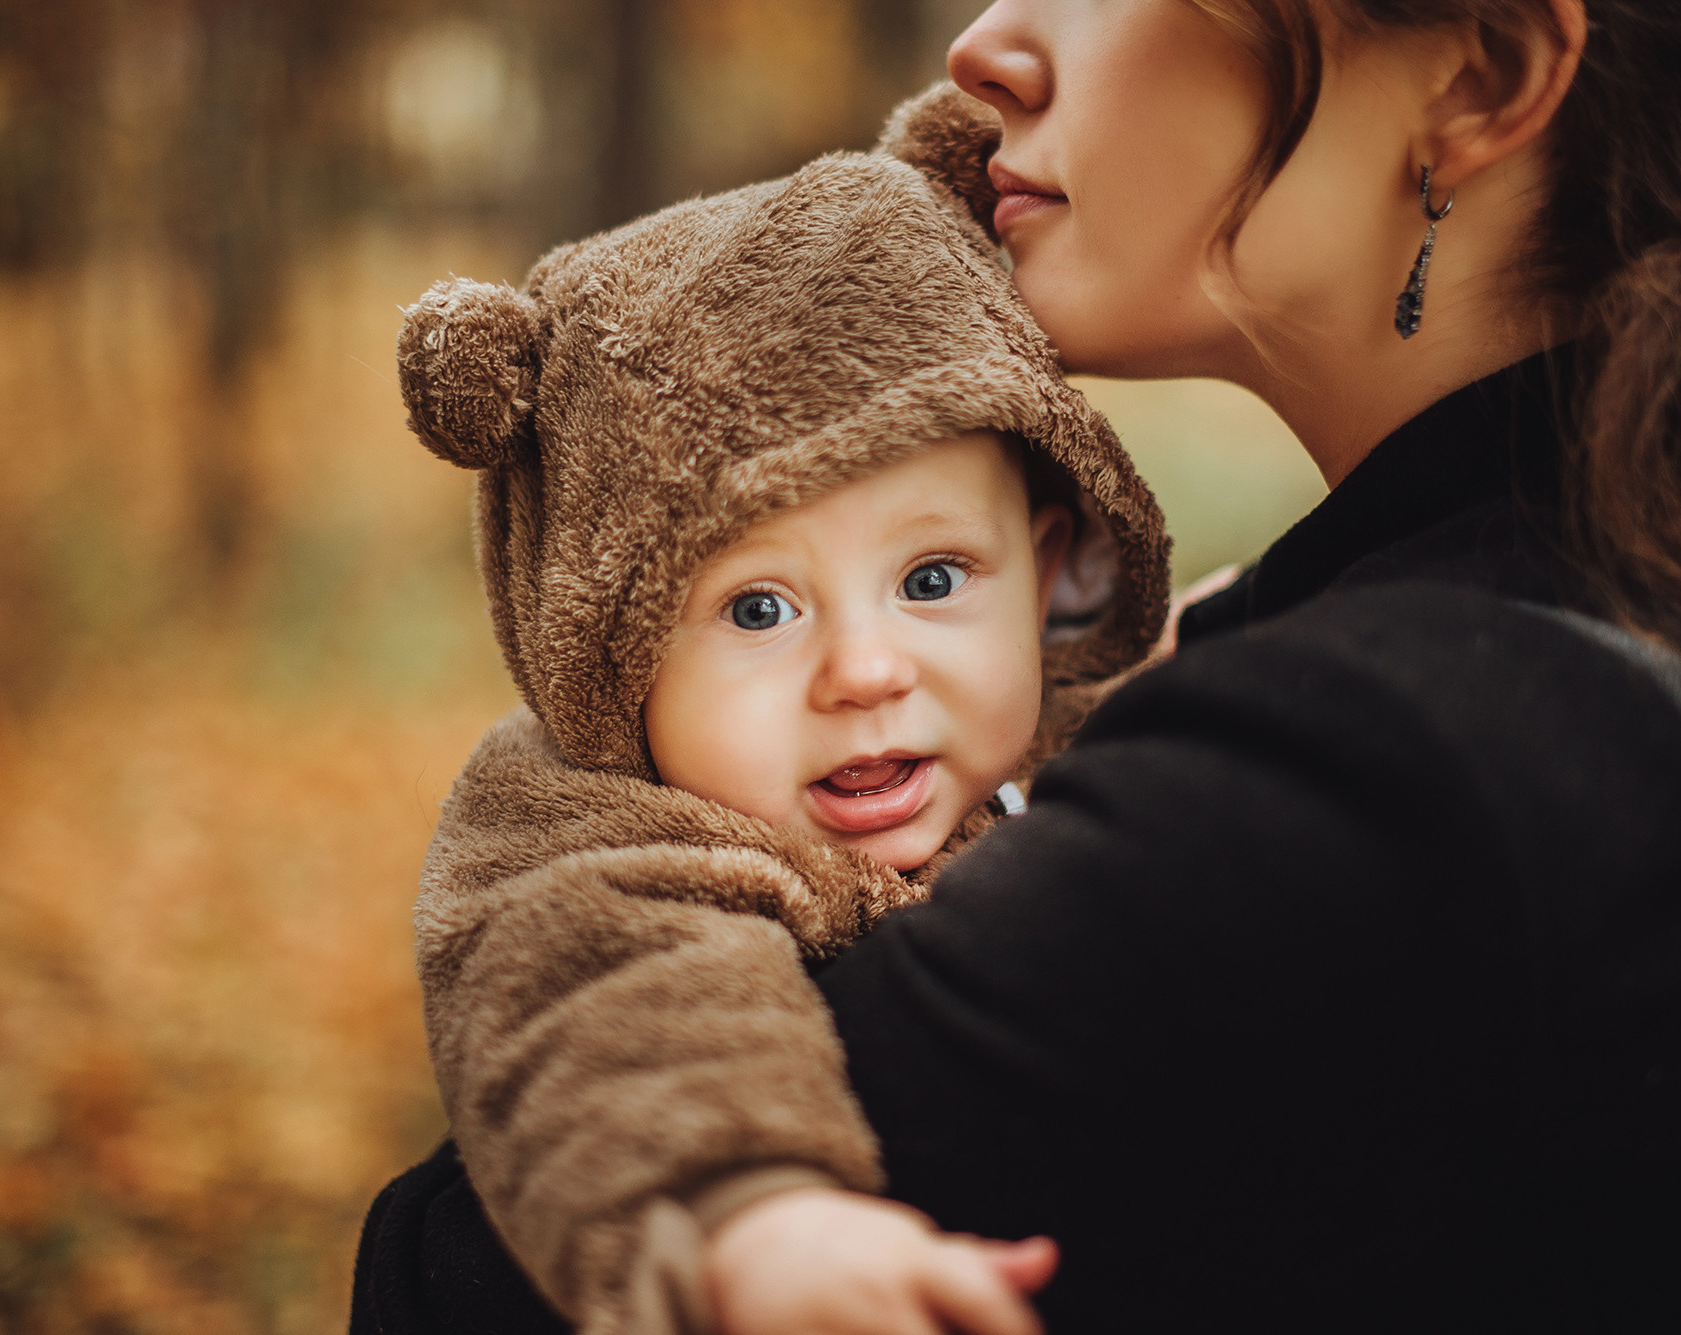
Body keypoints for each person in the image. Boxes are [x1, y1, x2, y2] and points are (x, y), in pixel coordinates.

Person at [358, 0, 1681, 1330]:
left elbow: (447, 1285)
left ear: (1475, 78)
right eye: (757, 607)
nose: (986, 46)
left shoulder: (1387, 774)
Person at [361, 102, 1170, 1335]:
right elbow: (604, 1007)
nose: (862, 670)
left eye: (933, 581)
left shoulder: (1106, 737)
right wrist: (752, 1214)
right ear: (611, 653)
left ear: (1051, 568)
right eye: (755, 609)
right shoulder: (597, 835)